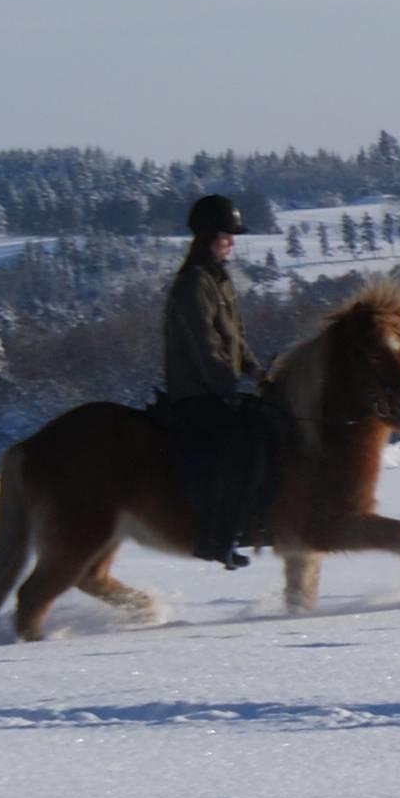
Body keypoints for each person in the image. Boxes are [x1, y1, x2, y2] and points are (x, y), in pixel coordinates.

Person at [163, 194, 266, 568]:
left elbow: (236, 339)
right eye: (227, 235)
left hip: (221, 387)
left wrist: (260, 373)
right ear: (209, 237)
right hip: (198, 394)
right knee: (239, 446)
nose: (233, 242)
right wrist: (230, 384)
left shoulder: (219, 281)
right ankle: (215, 535)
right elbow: (204, 345)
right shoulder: (194, 283)